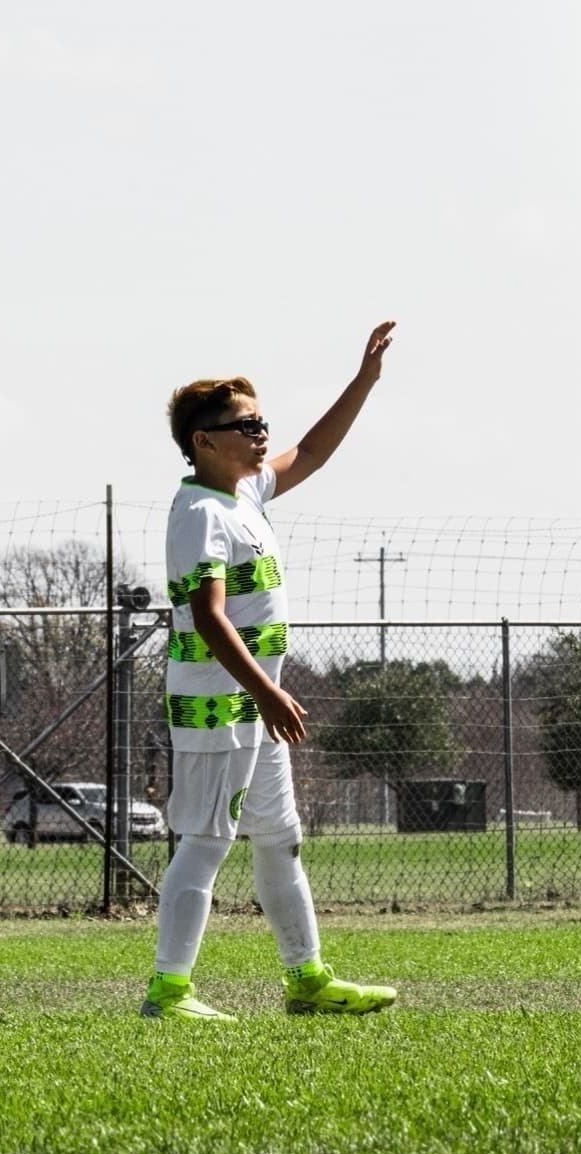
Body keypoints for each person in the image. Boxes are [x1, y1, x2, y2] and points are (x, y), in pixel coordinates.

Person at [141, 322, 398, 1021]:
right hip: (219, 706)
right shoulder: (198, 512)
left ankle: (307, 981)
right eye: (244, 424)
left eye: (261, 421)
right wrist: (269, 691)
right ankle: (168, 992)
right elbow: (209, 617)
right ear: (204, 441)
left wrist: (363, 382)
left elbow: (311, 451)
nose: (259, 434)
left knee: (280, 836)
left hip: (255, 706)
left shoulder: (245, 494)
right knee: (205, 840)